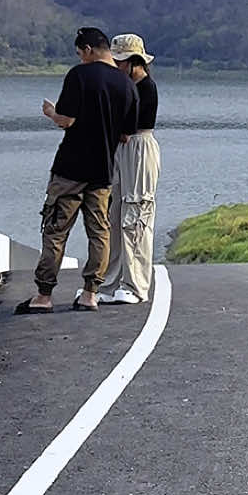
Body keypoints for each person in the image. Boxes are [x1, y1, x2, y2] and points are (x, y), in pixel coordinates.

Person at [15, 27, 138, 314]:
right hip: (103, 171)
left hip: (70, 169)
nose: (80, 58)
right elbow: (126, 135)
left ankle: (44, 296)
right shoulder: (127, 85)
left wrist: (50, 112)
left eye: (80, 53)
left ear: (87, 49)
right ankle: (90, 293)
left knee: (56, 230)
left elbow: (66, 121)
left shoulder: (79, 76)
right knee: (99, 232)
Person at [100, 32, 161, 306]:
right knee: (115, 216)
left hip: (139, 147)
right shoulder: (125, 86)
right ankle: (111, 281)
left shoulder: (146, 88)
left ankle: (135, 285)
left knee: (135, 215)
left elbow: (129, 127)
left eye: (121, 62)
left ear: (135, 62)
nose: (117, 66)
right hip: (122, 150)